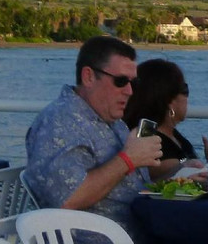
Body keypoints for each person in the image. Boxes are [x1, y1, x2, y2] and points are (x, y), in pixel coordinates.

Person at [25, 36, 162, 241]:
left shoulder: (111, 120)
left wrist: (179, 176)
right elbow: (66, 199)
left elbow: (130, 186)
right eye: (121, 81)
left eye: (133, 82)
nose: (130, 91)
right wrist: (127, 159)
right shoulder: (60, 122)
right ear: (88, 76)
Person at [123, 58, 208, 179]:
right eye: (184, 89)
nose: (187, 97)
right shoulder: (150, 143)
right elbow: (177, 182)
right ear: (169, 100)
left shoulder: (173, 136)